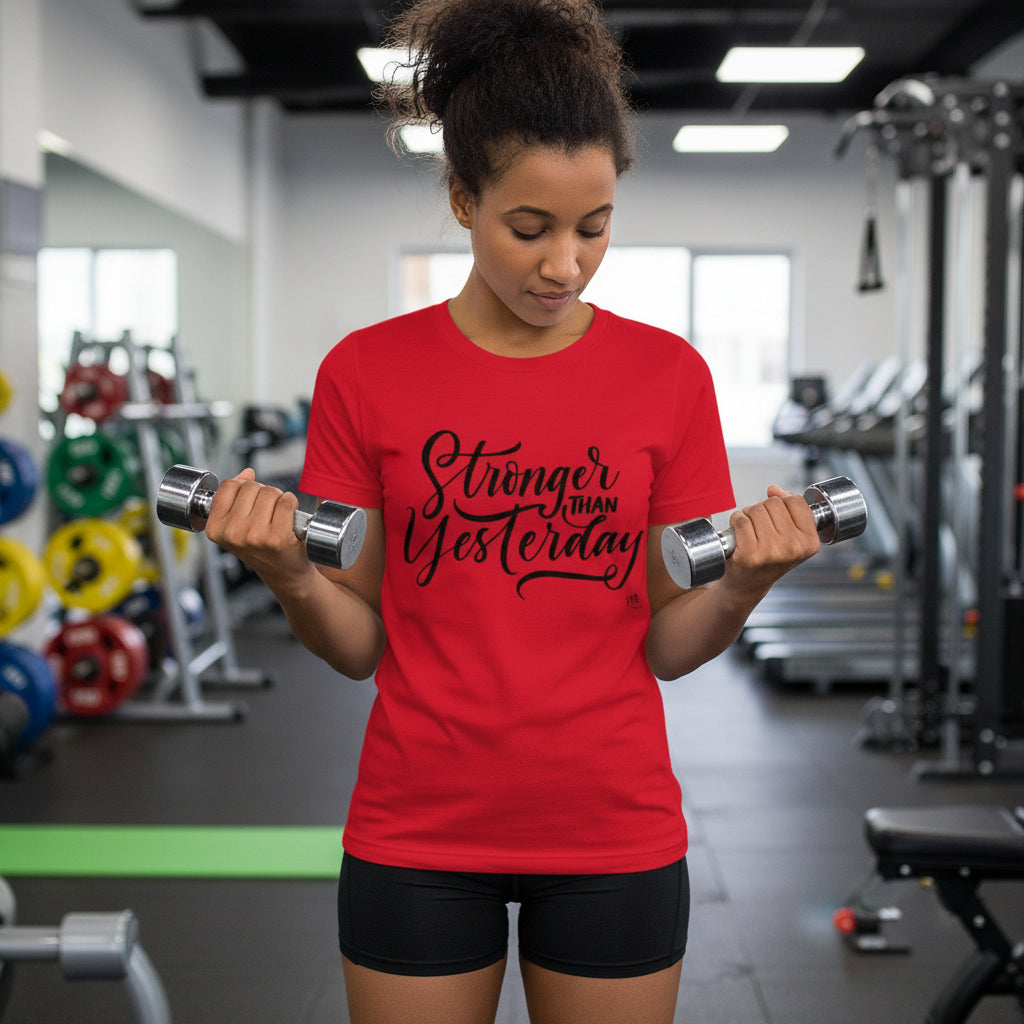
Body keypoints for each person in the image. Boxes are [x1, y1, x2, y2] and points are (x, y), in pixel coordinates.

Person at [203, 0, 821, 1021]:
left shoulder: (669, 377)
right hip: (418, 826)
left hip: (612, 828)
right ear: (462, 199)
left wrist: (746, 584)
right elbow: (358, 645)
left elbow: (670, 646)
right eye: (529, 228)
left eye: (594, 227)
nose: (564, 263)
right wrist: (290, 574)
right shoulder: (365, 372)